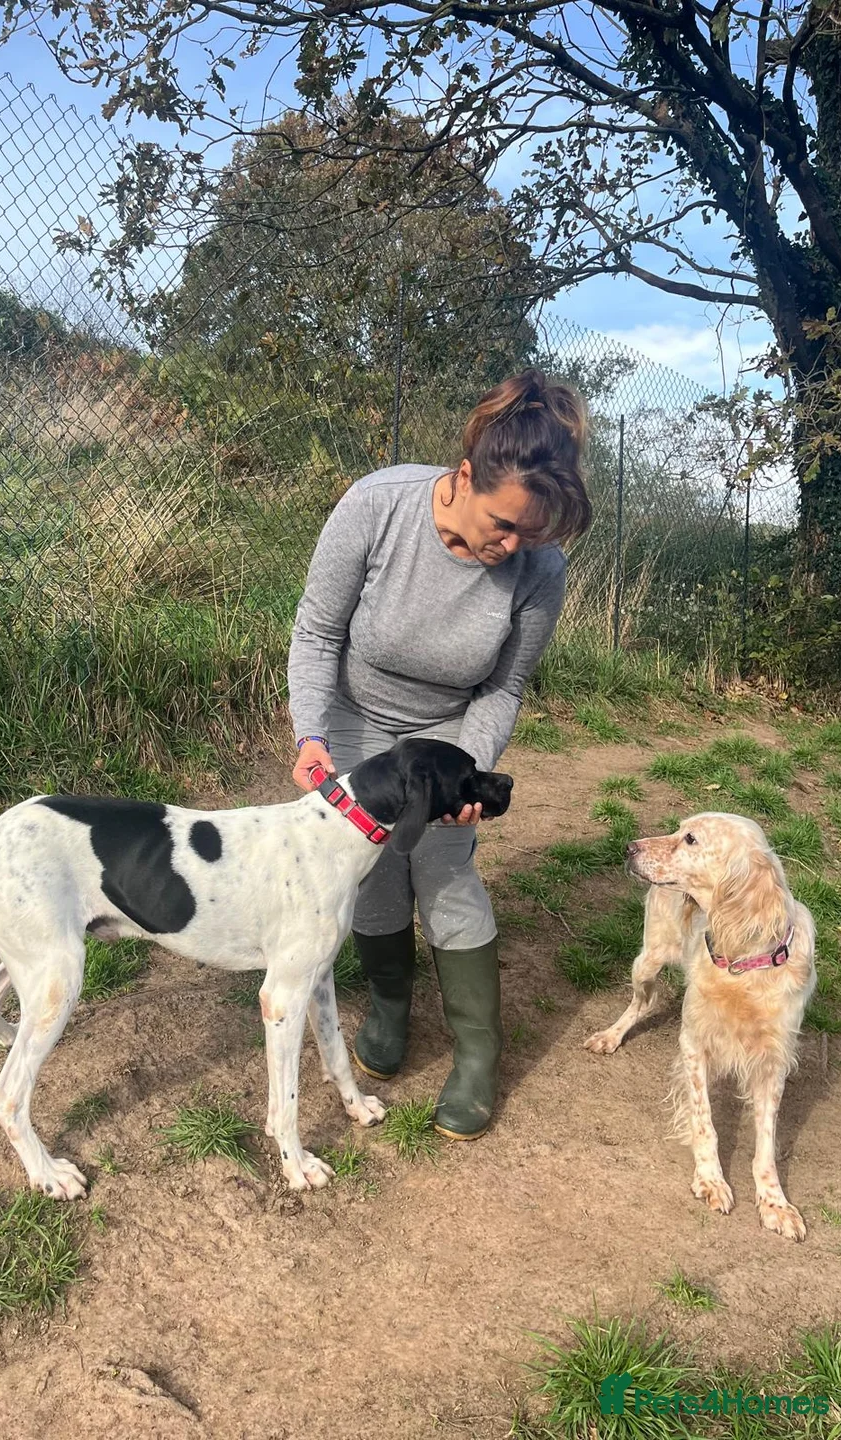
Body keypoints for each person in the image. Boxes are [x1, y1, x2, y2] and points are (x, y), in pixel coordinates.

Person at [288, 369, 592, 1140]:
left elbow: (503, 686)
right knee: (374, 870)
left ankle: (478, 1055)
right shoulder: (376, 507)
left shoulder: (539, 570)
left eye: (532, 534)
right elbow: (318, 633)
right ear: (463, 478)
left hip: (453, 729)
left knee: (446, 871)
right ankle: (390, 1009)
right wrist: (311, 737)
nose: (513, 545)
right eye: (504, 524)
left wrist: (468, 769)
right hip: (357, 722)